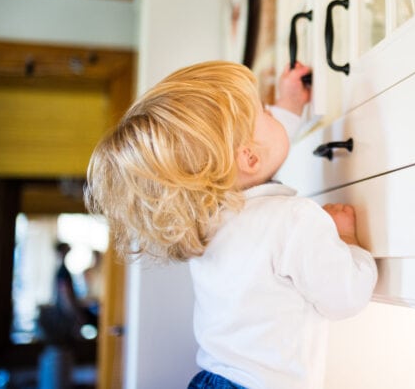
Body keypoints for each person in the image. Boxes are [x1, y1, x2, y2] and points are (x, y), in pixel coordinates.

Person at [84, 61, 377, 389]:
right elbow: (347, 297)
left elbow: (255, 150)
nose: (271, 111)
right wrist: (347, 239)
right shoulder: (294, 220)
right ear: (249, 157)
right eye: (266, 111)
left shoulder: (207, 223)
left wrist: (290, 104)